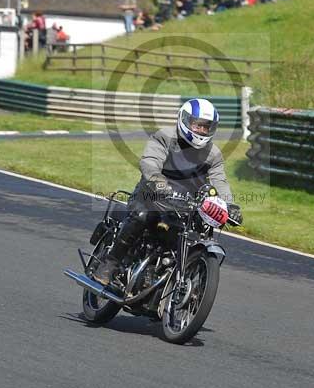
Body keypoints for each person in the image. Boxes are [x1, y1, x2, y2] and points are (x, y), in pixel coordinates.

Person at [92, 99, 242, 286]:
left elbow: (220, 180)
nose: (202, 131)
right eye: (198, 125)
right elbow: (149, 161)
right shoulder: (165, 137)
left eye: (207, 127)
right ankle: (109, 263)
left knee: (197, 233)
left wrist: (230, 205)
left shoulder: (213, 154)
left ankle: (167, 274)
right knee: (142, 216)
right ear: (185, 121)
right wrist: (158, 183)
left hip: (186, 205)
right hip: (151, 196)